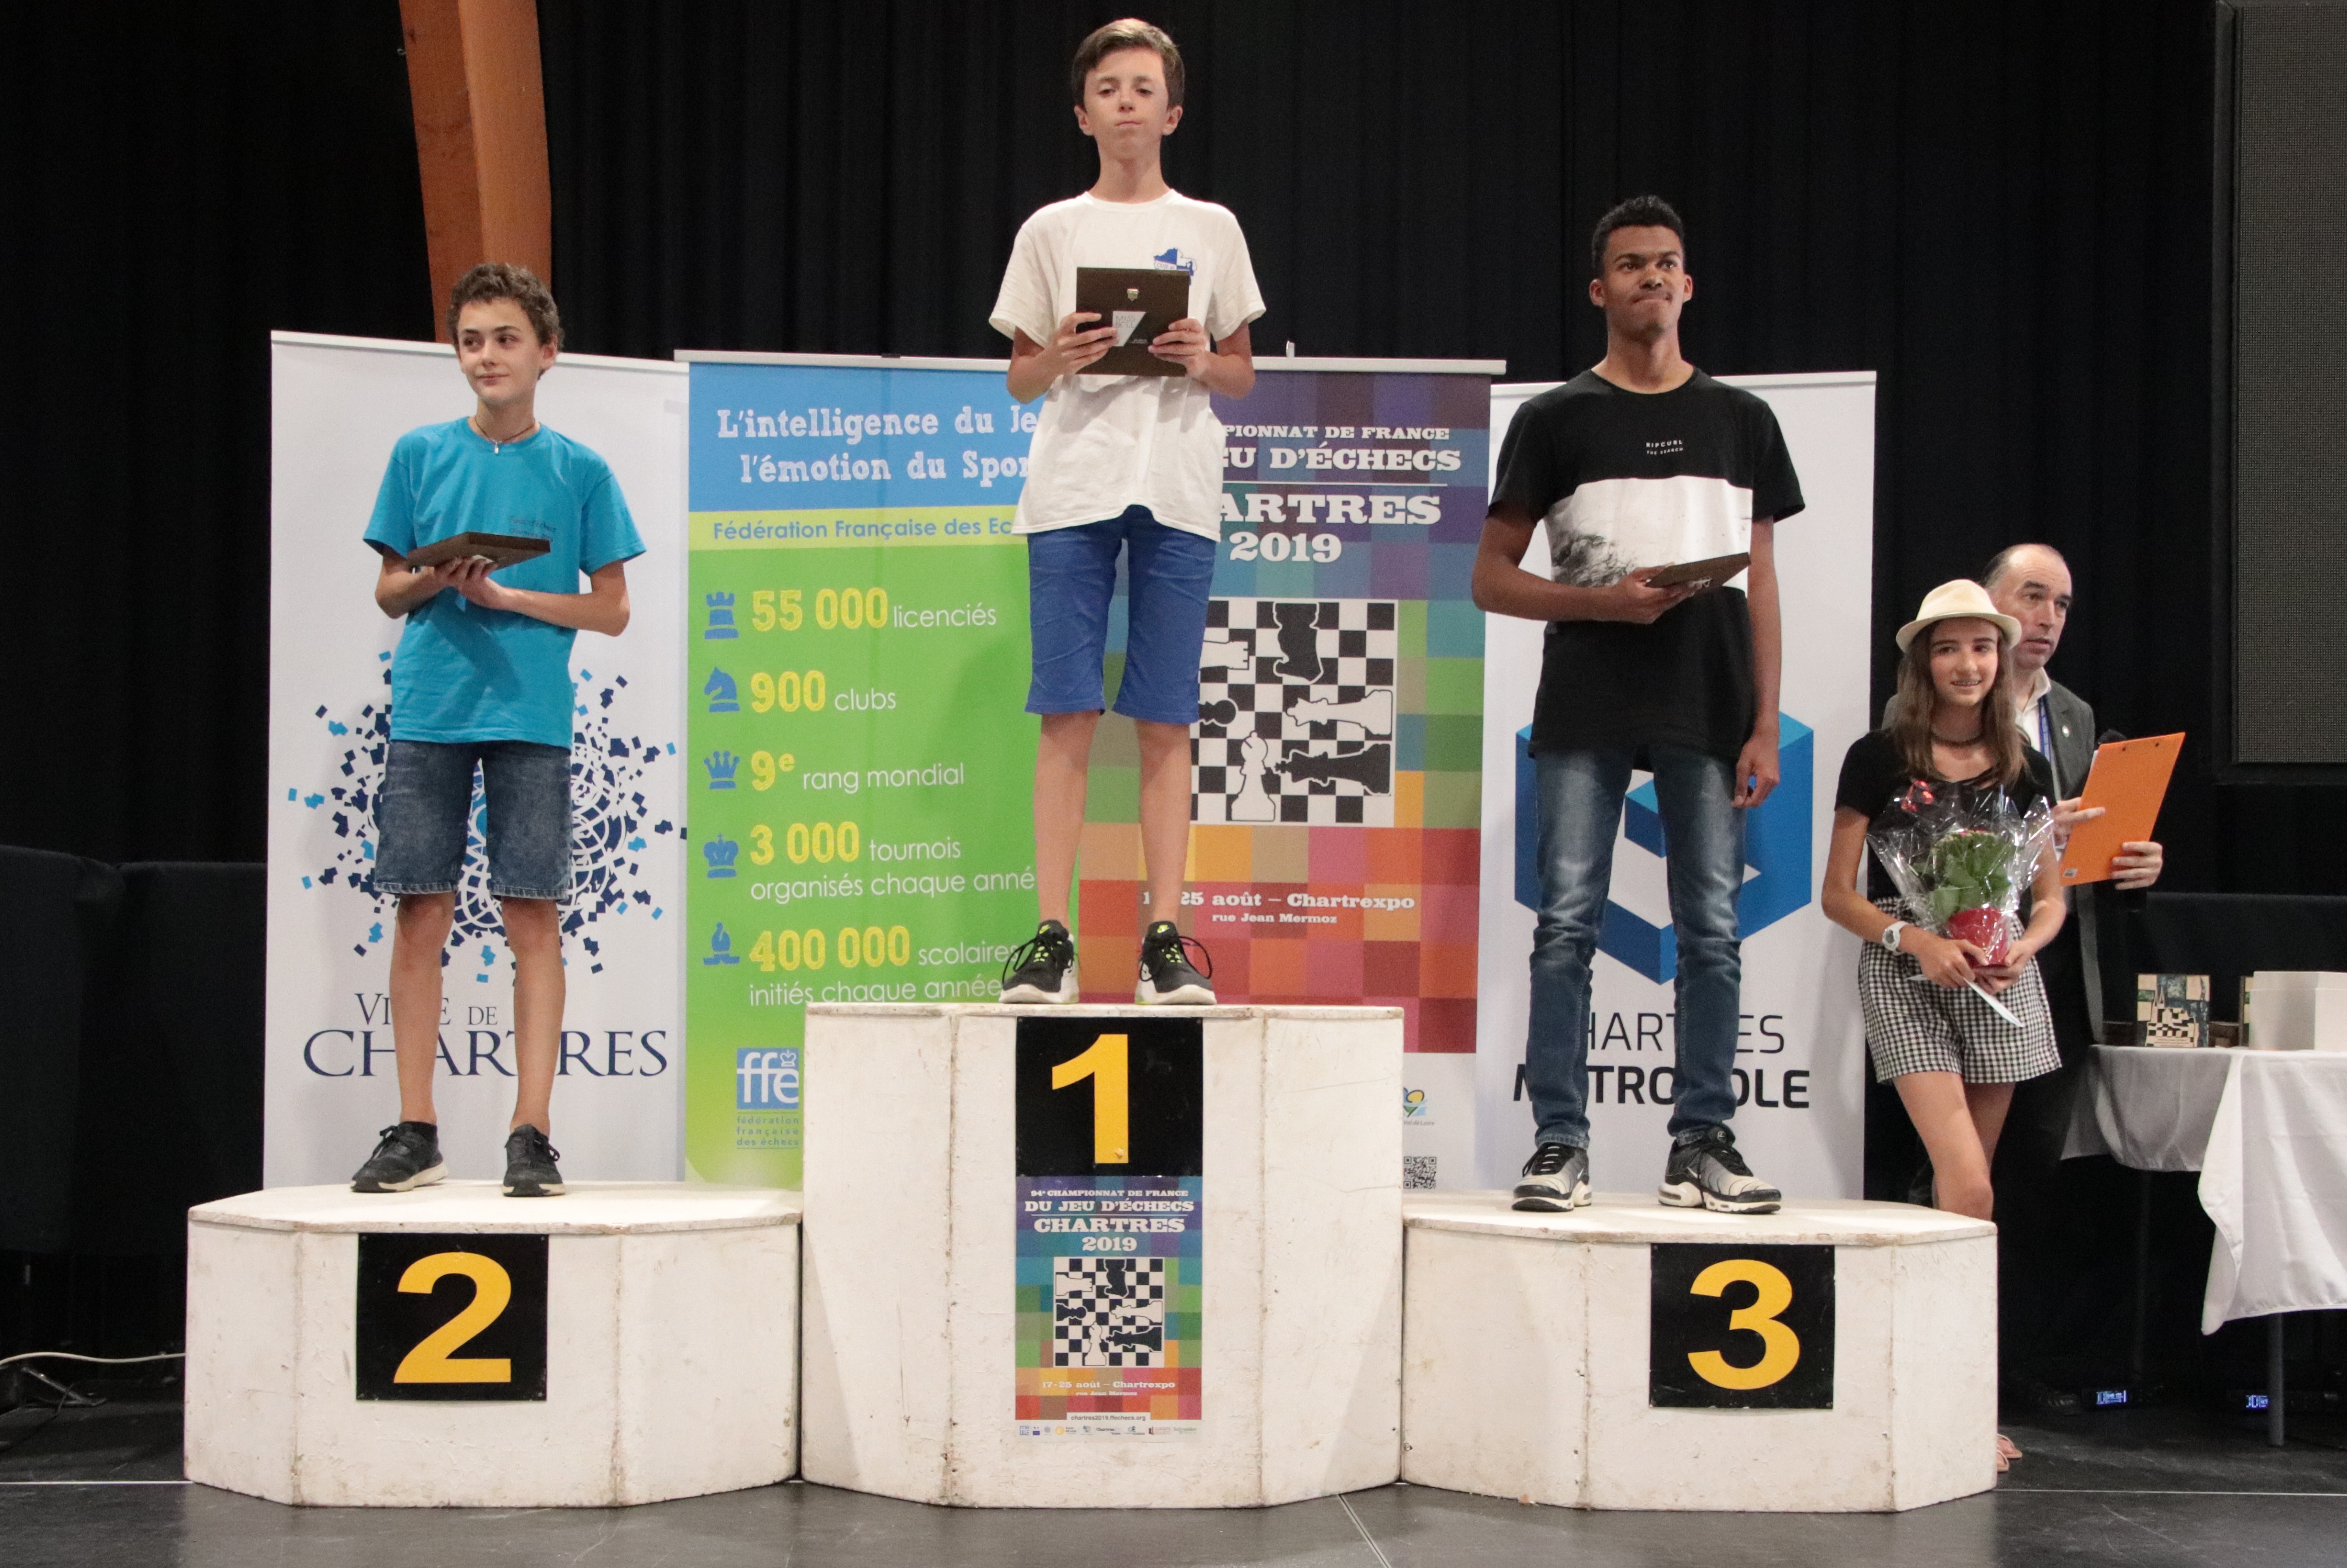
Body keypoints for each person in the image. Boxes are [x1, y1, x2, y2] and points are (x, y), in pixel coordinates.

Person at [1474, 196, 1801, 1215]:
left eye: (1665, 263)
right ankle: (1559, 1143)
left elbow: (1762, 579)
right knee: (1565, 925)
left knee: (1712, 931)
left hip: (1710, 699)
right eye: (1630, 264)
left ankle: (1701, 1140)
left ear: (1688, 284)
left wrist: (1766, 721)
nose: (1650, 277)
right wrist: (1603, 604)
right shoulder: (1554, 419)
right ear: (1598, 288)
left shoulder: (1743, 421)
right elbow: (1490, 579)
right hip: (1588, 698)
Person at [350, 263, 644, 1198]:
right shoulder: (418, 453)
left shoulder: (581, 470)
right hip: (431, 708)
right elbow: (389, 590)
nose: (487, 356)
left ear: (547, 353)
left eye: (506, 339)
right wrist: (436, 576)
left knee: (531, 914)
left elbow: (612, 611)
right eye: (472, 340)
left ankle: (532, 1130)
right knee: (420, 911)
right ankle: (416, 1127)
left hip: (530, 713)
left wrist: (508, 597)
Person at [988, 18, 1262, 1007]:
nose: (1127, 104)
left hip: (1178, 489)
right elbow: (1020, 379)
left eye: (1144, 88)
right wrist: (1060, 355)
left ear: (1172, 112)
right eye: (1108, 89)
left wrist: (1200, 359)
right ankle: (1050, 940)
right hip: (1074, 488)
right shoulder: (1050, 229)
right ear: (1083, 113)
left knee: (1165, 715)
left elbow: (1242, 375)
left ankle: (1163, 940)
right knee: (1066, 710)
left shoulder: (1213, 227)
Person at [1825, 580, 2066, 1471]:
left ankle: (1936, 1390)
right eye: (1949, 647)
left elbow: (2051, 898)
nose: (1968, 664)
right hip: (1908, 973)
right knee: (1967, 1187)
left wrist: (2022, 945)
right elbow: (1838, 895)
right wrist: (1917, 940)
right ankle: (1960, 1410)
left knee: (1963, 1197)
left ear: (2002, 658)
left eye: (1982, 646)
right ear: (1923, 661)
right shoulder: (1878, 756)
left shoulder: (2025, 765)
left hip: (1998, 979)